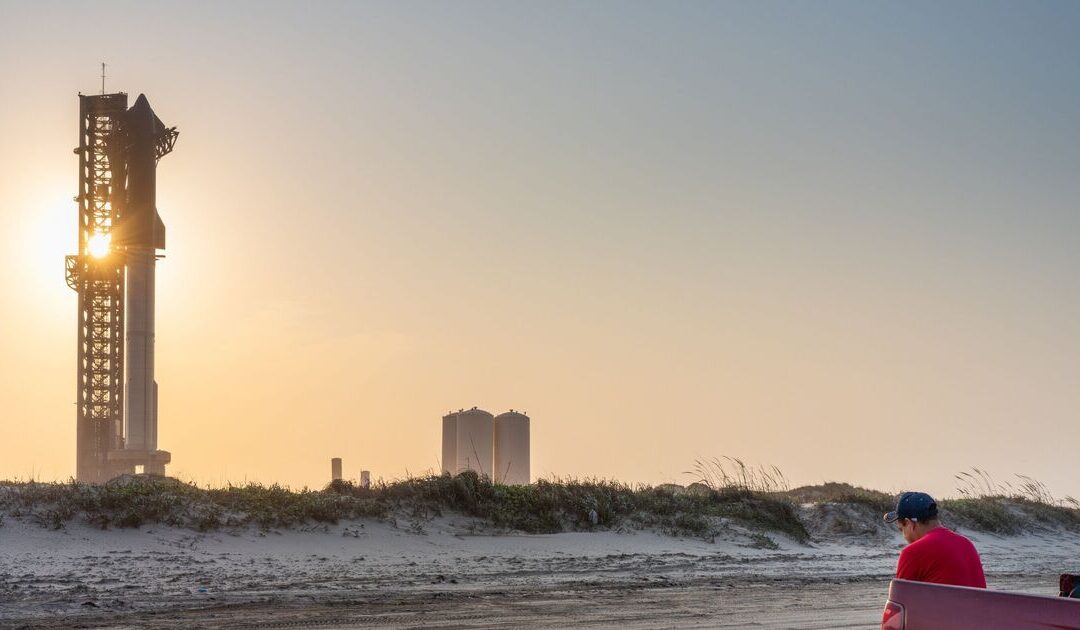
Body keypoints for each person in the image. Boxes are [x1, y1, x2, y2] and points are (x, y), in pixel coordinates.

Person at [883, 491, 986, 588]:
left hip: (944, 607)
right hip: (976, 607)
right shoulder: (966, 544)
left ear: (909, 523)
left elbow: (900, 603)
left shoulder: (913, 552)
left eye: (901, 529)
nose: (904, 536)